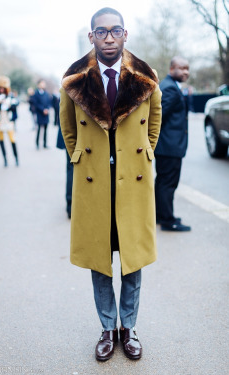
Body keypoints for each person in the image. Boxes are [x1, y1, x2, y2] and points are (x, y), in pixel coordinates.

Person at [60, 7, 162, 361]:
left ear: (125, 34)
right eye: (101, 32)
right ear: (91, 37)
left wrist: (146, 151)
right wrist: (80, 158)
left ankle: (129, 327)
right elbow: (68, 128)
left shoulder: (146, 76)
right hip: (94, 184)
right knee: (100, 262)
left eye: (114, 31)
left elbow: (155, 120)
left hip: (132, 182)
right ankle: (107, 327)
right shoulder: (74, 79)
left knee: (132, 262)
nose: (108, 38)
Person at [154, 56, 191, 231]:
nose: (186, 72)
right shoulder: (169, 89)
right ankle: (168, 221)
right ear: (171, 69)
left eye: (187, 69)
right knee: (167, 184)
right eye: (181, 68)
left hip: (168, 146)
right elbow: (158, 118)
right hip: (169, 147)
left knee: (163, 183)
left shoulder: (171, 87)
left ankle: (161, 216)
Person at [0, 76, 19, 167]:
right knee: (1, 140)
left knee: (12, 140)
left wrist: (8, 104)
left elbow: (15, 107)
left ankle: (16, 158)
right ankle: (5, 159)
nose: (1, 90)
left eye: (3, 88)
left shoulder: (10, 95)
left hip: (8, 120)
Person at [56, 123, 73, 219]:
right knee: (72, 168)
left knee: (71, 169)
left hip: (69, 132)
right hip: (77, 133)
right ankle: (71, 204)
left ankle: (70, 205)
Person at [33, 79, 51, 149]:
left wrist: (47, 109)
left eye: (44, 83)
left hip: (46, 114)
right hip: (40, 114)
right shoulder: (36, 93)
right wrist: (42, 110)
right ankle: (37, 144)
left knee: (46, 130)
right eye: (42, 83)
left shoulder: (46, 93)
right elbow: (36, 104)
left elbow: (49, 102)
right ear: (38, 85)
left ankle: (45, 144)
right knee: (39, 130)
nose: (43, 85)